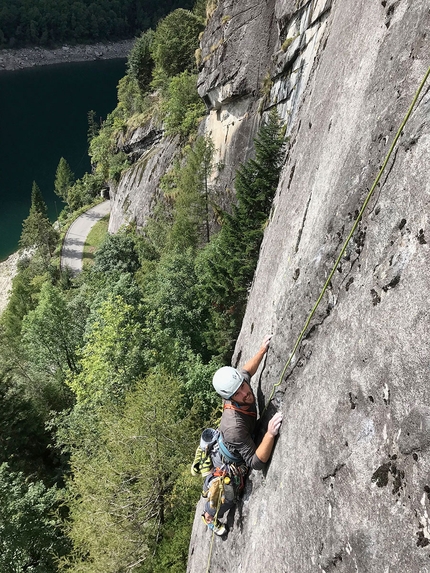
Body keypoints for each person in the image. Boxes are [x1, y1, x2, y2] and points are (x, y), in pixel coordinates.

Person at [201, 334, 283, 535]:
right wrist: (270, 435)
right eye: (237, 393)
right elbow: (255, 462)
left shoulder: (238, 384)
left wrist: (262, 350)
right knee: (225, 494)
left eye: (243, 387)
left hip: (231, 443)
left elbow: (246, 371)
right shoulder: (235, 426)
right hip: (230, 461)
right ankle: (208, 516)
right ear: (229, 398)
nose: (245, 393)